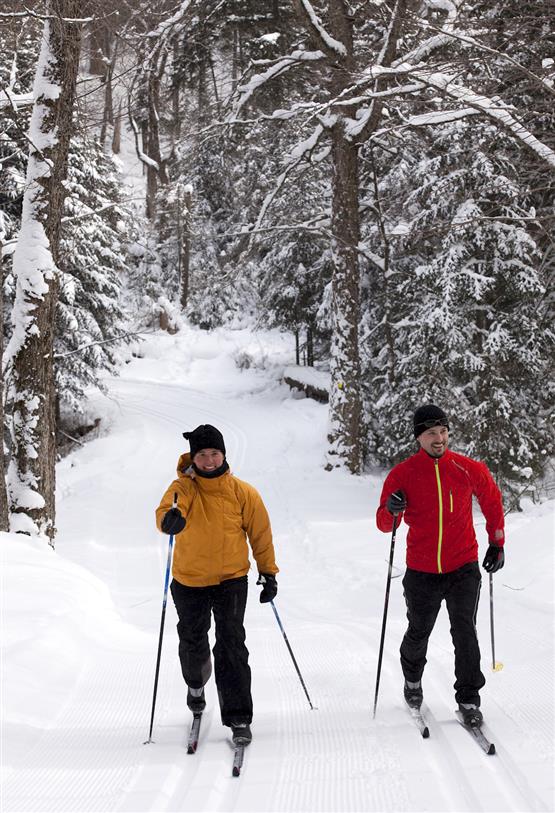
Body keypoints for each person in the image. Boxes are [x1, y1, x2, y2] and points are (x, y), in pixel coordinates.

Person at [376, 404, 505, 727]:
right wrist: (392, 509)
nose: (439, 438)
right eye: (432, 433)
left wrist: (497, 542)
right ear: (419, 437)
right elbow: (383, 523)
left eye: (443, 432)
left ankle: (469, 699)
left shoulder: (466, 468)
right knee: (419, 631)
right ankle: (412, 680)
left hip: (463, 566)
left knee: (465, 633)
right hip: (421, 570)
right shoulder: (402, 474)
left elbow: (491, 500)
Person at [155, 424, 279, 745]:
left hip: (231, 580)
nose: (209, 461)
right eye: (202, 454)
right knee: (193, 643)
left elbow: (260, 535)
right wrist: (170, 520)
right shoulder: (183, 488)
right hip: (189, 580)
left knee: (231, 645)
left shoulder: (243, 492)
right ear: (193, 457)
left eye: (214, 453)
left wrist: (268, 572)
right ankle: (196, 685)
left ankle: (239, 716)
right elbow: (167, 509)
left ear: (223, 454)